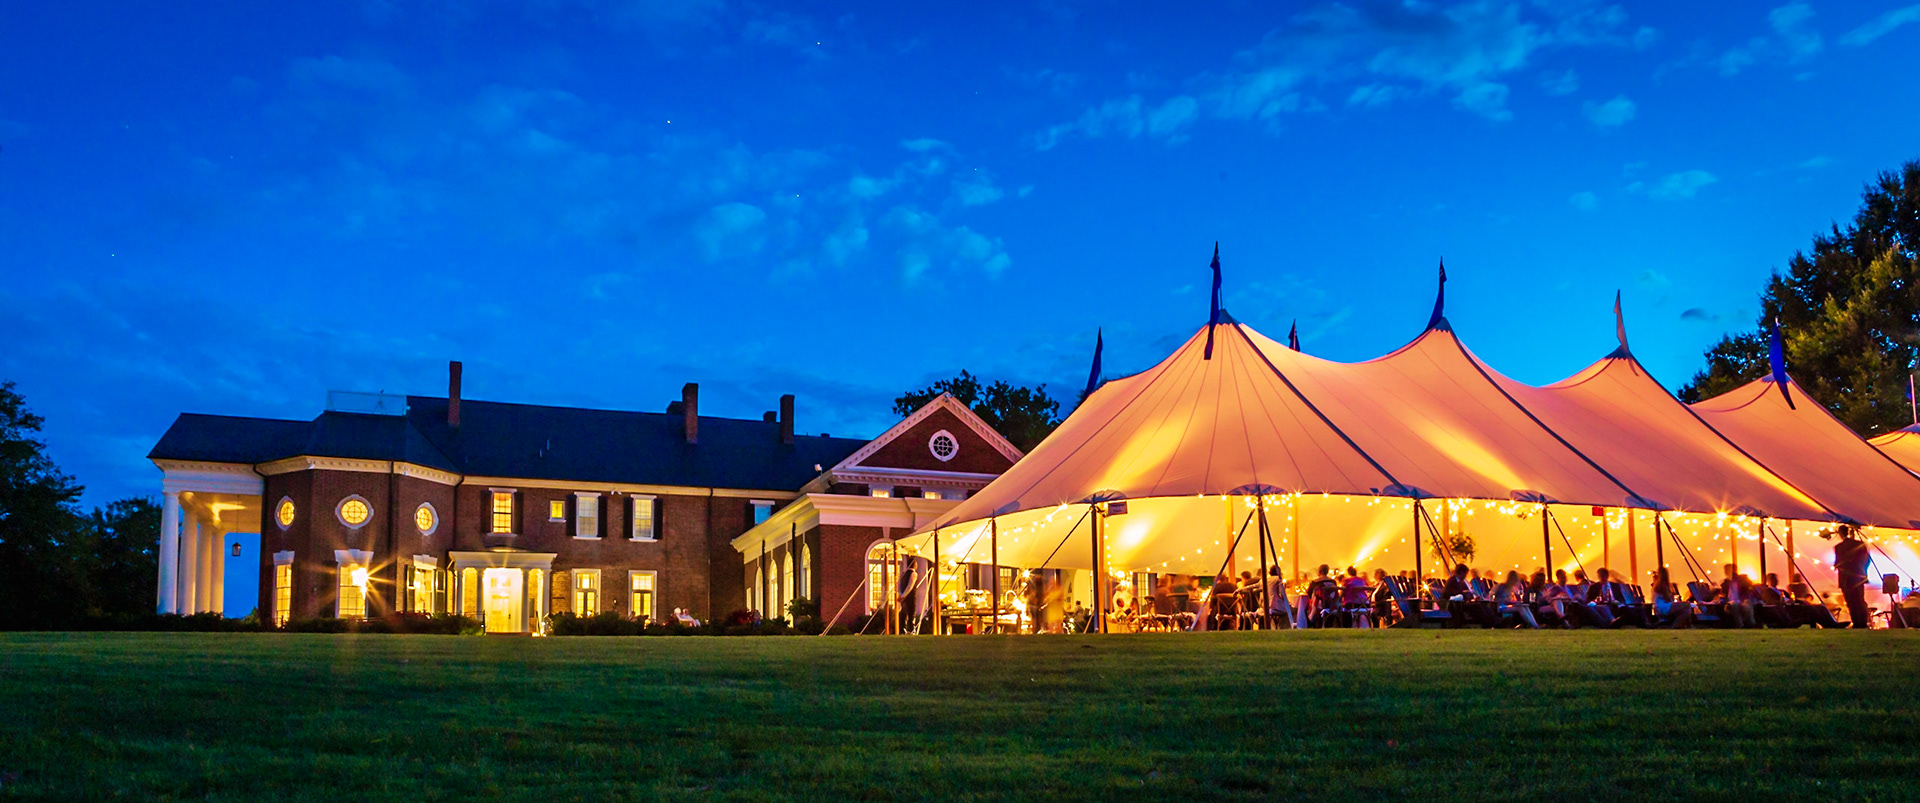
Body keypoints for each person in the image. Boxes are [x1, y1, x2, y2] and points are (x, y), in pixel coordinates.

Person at [1834, 526, 1873, 628]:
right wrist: (1863, 570)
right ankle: (1863, 622)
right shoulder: (1859, 544)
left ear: (1840, 533)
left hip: (1846, 579)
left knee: (1851, 602)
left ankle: (1856, 622)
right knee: (1860, 600)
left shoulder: (1839, 547)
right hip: (1858, 577)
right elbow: (1867, 560)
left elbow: (1838, 563)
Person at [1718, 563, 1756, 628]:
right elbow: (1723, 595)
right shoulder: (1725, 583)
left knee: (1747, 603)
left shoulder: (1742, 579)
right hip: (1730, 604)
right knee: (1734, 604)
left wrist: (1739, 579)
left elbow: (1750, 586)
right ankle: (1740, 624)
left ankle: (1751, 623)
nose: (1726, 572)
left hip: (1742, 602)